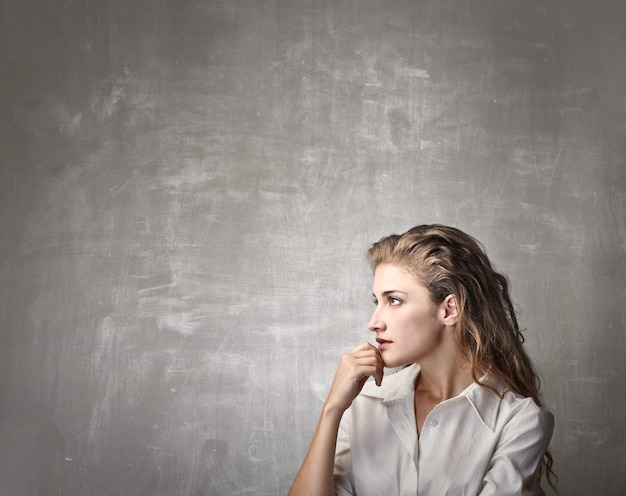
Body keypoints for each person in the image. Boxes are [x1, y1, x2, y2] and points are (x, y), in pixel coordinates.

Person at [289, 224, 557, 496]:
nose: (374, 323)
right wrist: (332, 410)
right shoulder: (362, 406)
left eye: (394, 300)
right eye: (376, 302)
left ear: (449, 309)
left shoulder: (518, 421)